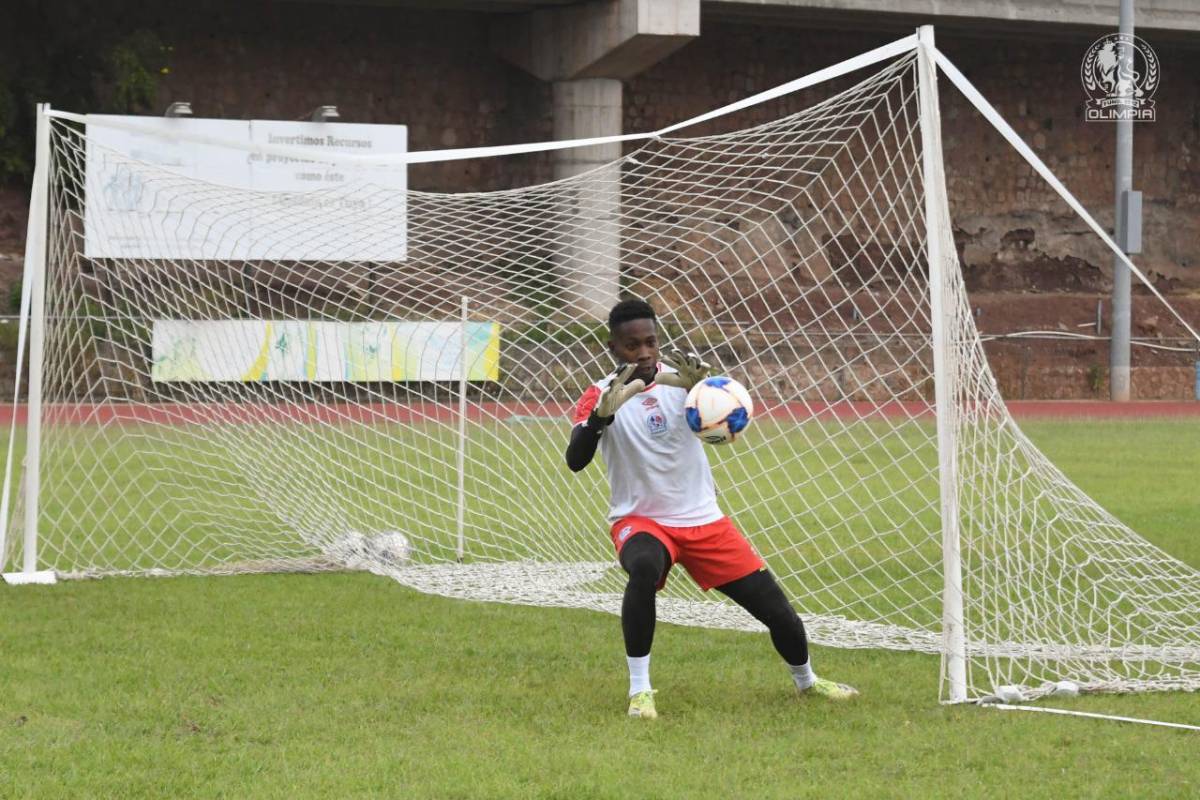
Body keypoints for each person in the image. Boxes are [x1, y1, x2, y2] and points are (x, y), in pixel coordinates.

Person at [565, 297, 858, 720]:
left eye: (651, 342)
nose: (644, 353)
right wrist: (598, 421)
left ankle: (807, 682)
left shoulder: (690, 388)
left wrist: (704, 397)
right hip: (641, 520)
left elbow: (723, 424)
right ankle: (640, 691)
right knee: (643, 566)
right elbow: (575, 461)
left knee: (779, 612)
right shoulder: (599, 395)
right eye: (632, 346)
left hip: (704, 522)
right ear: (613, 347)